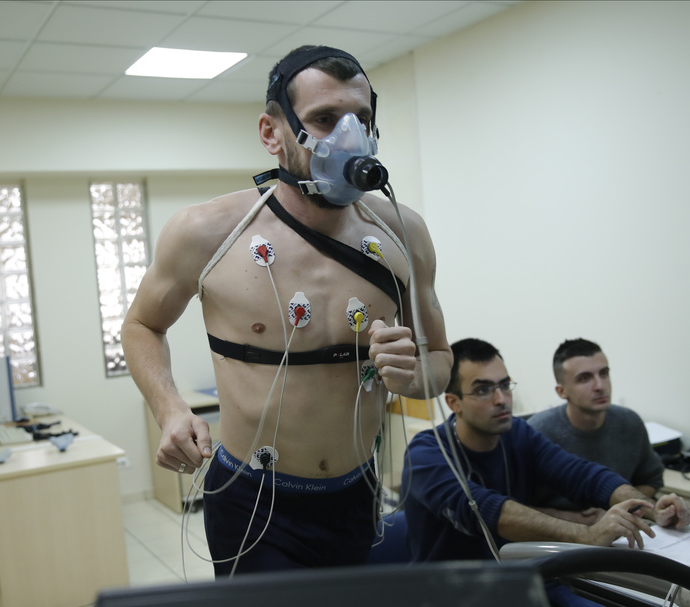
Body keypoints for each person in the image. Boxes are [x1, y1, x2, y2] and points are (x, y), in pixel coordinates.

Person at [122, 45, 452, 576]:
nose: (350, 137)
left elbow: (440, 360)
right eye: (325, 119)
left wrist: (414, 377)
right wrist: (170, 409)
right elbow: (142, 325)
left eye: (361, 118)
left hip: (356, 493)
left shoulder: (403, 232)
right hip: (251, 500)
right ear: (272, 132)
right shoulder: (208, 232)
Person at [401, 338, 690, 607]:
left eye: (504, 385)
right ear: (454, 403)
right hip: (449, 598)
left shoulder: (517, 434)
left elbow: (581, 474)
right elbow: (489, 511)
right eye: (483, 390)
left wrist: (652, 509)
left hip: (517, 580)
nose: (501, 399)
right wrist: (588, 535)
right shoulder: (426, 454)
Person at [529, 338, 665, 522]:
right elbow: (515, 508)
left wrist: (619, 509)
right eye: (585, 378)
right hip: (557, 532)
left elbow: (651, 479)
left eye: (604, 373)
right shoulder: (538, 432)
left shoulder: (629, 422)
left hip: (621, 527)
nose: (600, 386)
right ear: (562, 391)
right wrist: (576, 519)